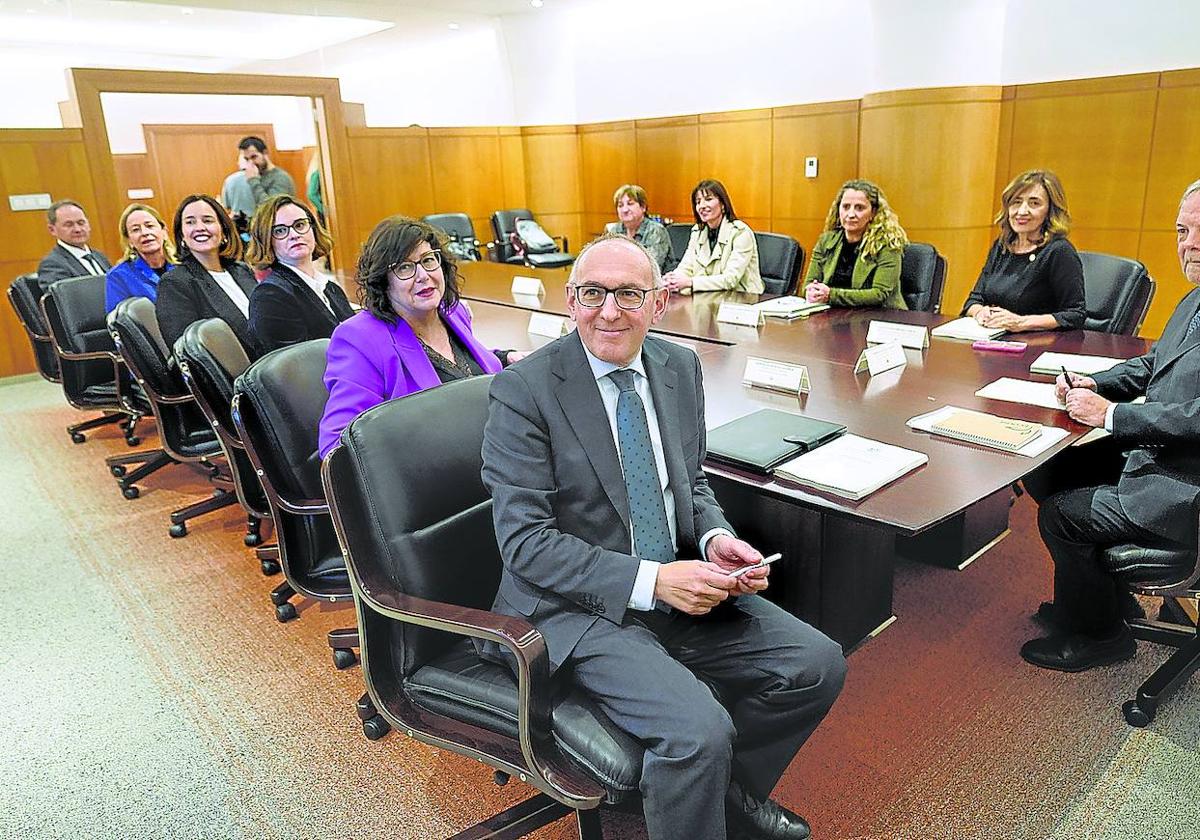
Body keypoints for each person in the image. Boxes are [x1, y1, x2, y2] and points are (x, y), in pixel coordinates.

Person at [478, 233, 845, 840]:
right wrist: (652, 582)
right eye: (592, 293)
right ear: (570, 301)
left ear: (659, 302)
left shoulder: (677, 367)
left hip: (678, 576)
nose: (609, 311)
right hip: (573, 606)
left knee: (816, 665)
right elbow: (524, 543)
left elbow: (690, 484)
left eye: (628, 294)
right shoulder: (524, 392)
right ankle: (703, 795)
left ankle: (725, 797)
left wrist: (715, 540)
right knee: (697, 732)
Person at [1018, 179, 1200, 673]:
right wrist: (1094, 382)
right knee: (1047, 468)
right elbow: (1154, 364)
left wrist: (1112, 415)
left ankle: (1102, 636)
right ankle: (1097, 599)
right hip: (1162, 450)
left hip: (1186, 484)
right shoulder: (1195, 300)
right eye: (1183, 231)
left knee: (1061, 515)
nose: (1190, 245)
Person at [318, 217, 525, 459]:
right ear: (383, 281)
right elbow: (336, 445)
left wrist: (505, 357)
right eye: (405, 267)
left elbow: (462, 369)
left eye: (428, 260)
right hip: (435, 475)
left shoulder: (452, 312)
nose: (423, 275)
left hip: (496, 453)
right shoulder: (360, 338)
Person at [962, 169, 1085, 332]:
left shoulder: (1059, 251)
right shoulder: (1003, 245)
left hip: (1039, 346)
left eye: (1034, 203)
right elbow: (973, 300)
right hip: (995, 340)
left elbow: (1075, 314)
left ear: (1050, 210)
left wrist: (1021, 323)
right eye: (1016, 202)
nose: (1021, 211)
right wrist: (980, 312)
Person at [245, 196, 353, 357]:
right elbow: (297, 370)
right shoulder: (269, 296)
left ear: (313, 229)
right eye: (280, 230)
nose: (294, 234)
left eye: (300, 225)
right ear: (267, 241)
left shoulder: (329, 286)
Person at [155, 194, 258, 356]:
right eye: (190, 222)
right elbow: (187, 352)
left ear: (223, 231)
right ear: (182, 236)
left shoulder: (242, 270)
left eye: (208, 220)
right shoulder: (174, 283)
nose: (199, 227)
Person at [802, 179, 908, 309]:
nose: (850, 214)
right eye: (846, 207)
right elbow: (808, 285)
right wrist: (812, 292)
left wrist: (831, 295)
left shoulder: (887, 244)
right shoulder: (826, 241)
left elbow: (879, 294)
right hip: (832, 315)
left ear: (873, 213)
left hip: (879, 317)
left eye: (859, 208)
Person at [662, 179, 763, 294]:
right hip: (709, 298)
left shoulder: (740, 232)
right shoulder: (697, 231)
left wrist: (690, 282)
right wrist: (673, 279)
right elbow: (686, 265)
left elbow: (731, 279)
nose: (702, 206)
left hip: (742, 299)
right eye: (698, 202)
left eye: (708, 199)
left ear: (723, 204)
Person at [104, 203, 176, 313]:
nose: (145, 233)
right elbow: (121, 323)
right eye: (136, 229)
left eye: (149, 226)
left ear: (164, 232)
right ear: (129, 241)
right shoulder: (118, 276)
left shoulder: (184, 265)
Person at [37, 200, 112, 282]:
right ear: (52, 230)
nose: (78, 229)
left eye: (81, 223)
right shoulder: (51, 264)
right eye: (69, 225)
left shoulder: (99, 256)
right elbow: (61, 294)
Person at [605, 184, 671, 271]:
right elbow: (608, 261)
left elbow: (650, 266)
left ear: (643, 207)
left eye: (630, 204)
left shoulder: (656, 230)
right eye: (620, 205)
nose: (625, 210)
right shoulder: (615, 230)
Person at [236, 136, 296, 211]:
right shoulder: (256, 176)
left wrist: (253, 181)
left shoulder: (281, 177)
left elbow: (270, 208)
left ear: (264, 153)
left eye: (254, 157)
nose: (251, 163)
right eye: (247, 159)